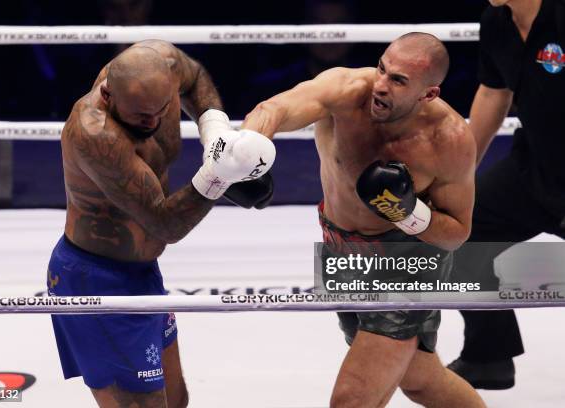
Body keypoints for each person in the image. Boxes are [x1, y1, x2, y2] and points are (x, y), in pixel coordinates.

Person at [242, 32, 485, 408]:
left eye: (399, 80)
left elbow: (456, 234)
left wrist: (408, 212)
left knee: (351, 400)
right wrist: (247, 153)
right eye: (382, 69)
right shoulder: (347, 90)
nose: (381, 86)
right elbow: (275, 108)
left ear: (429, 94)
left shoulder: (448, 140)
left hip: (406, 261)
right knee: (420, 380)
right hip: (340, 247)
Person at [46, 40, 275, 407]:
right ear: (107, 95)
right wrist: (219, 175)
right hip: (97, 279)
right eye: (140, 116)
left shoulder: (161, 62)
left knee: (175, 399)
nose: (152, 122)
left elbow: (195, 76)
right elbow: (165, 225)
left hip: (144, 272)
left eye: (161, 110)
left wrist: (215, 136)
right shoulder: (94, 133)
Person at [447, 0, 565, 389]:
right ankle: (488, 357)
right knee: (459, 231)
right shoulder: (497, 20)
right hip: (534, 168)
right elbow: (494, 91)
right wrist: (460, 175)